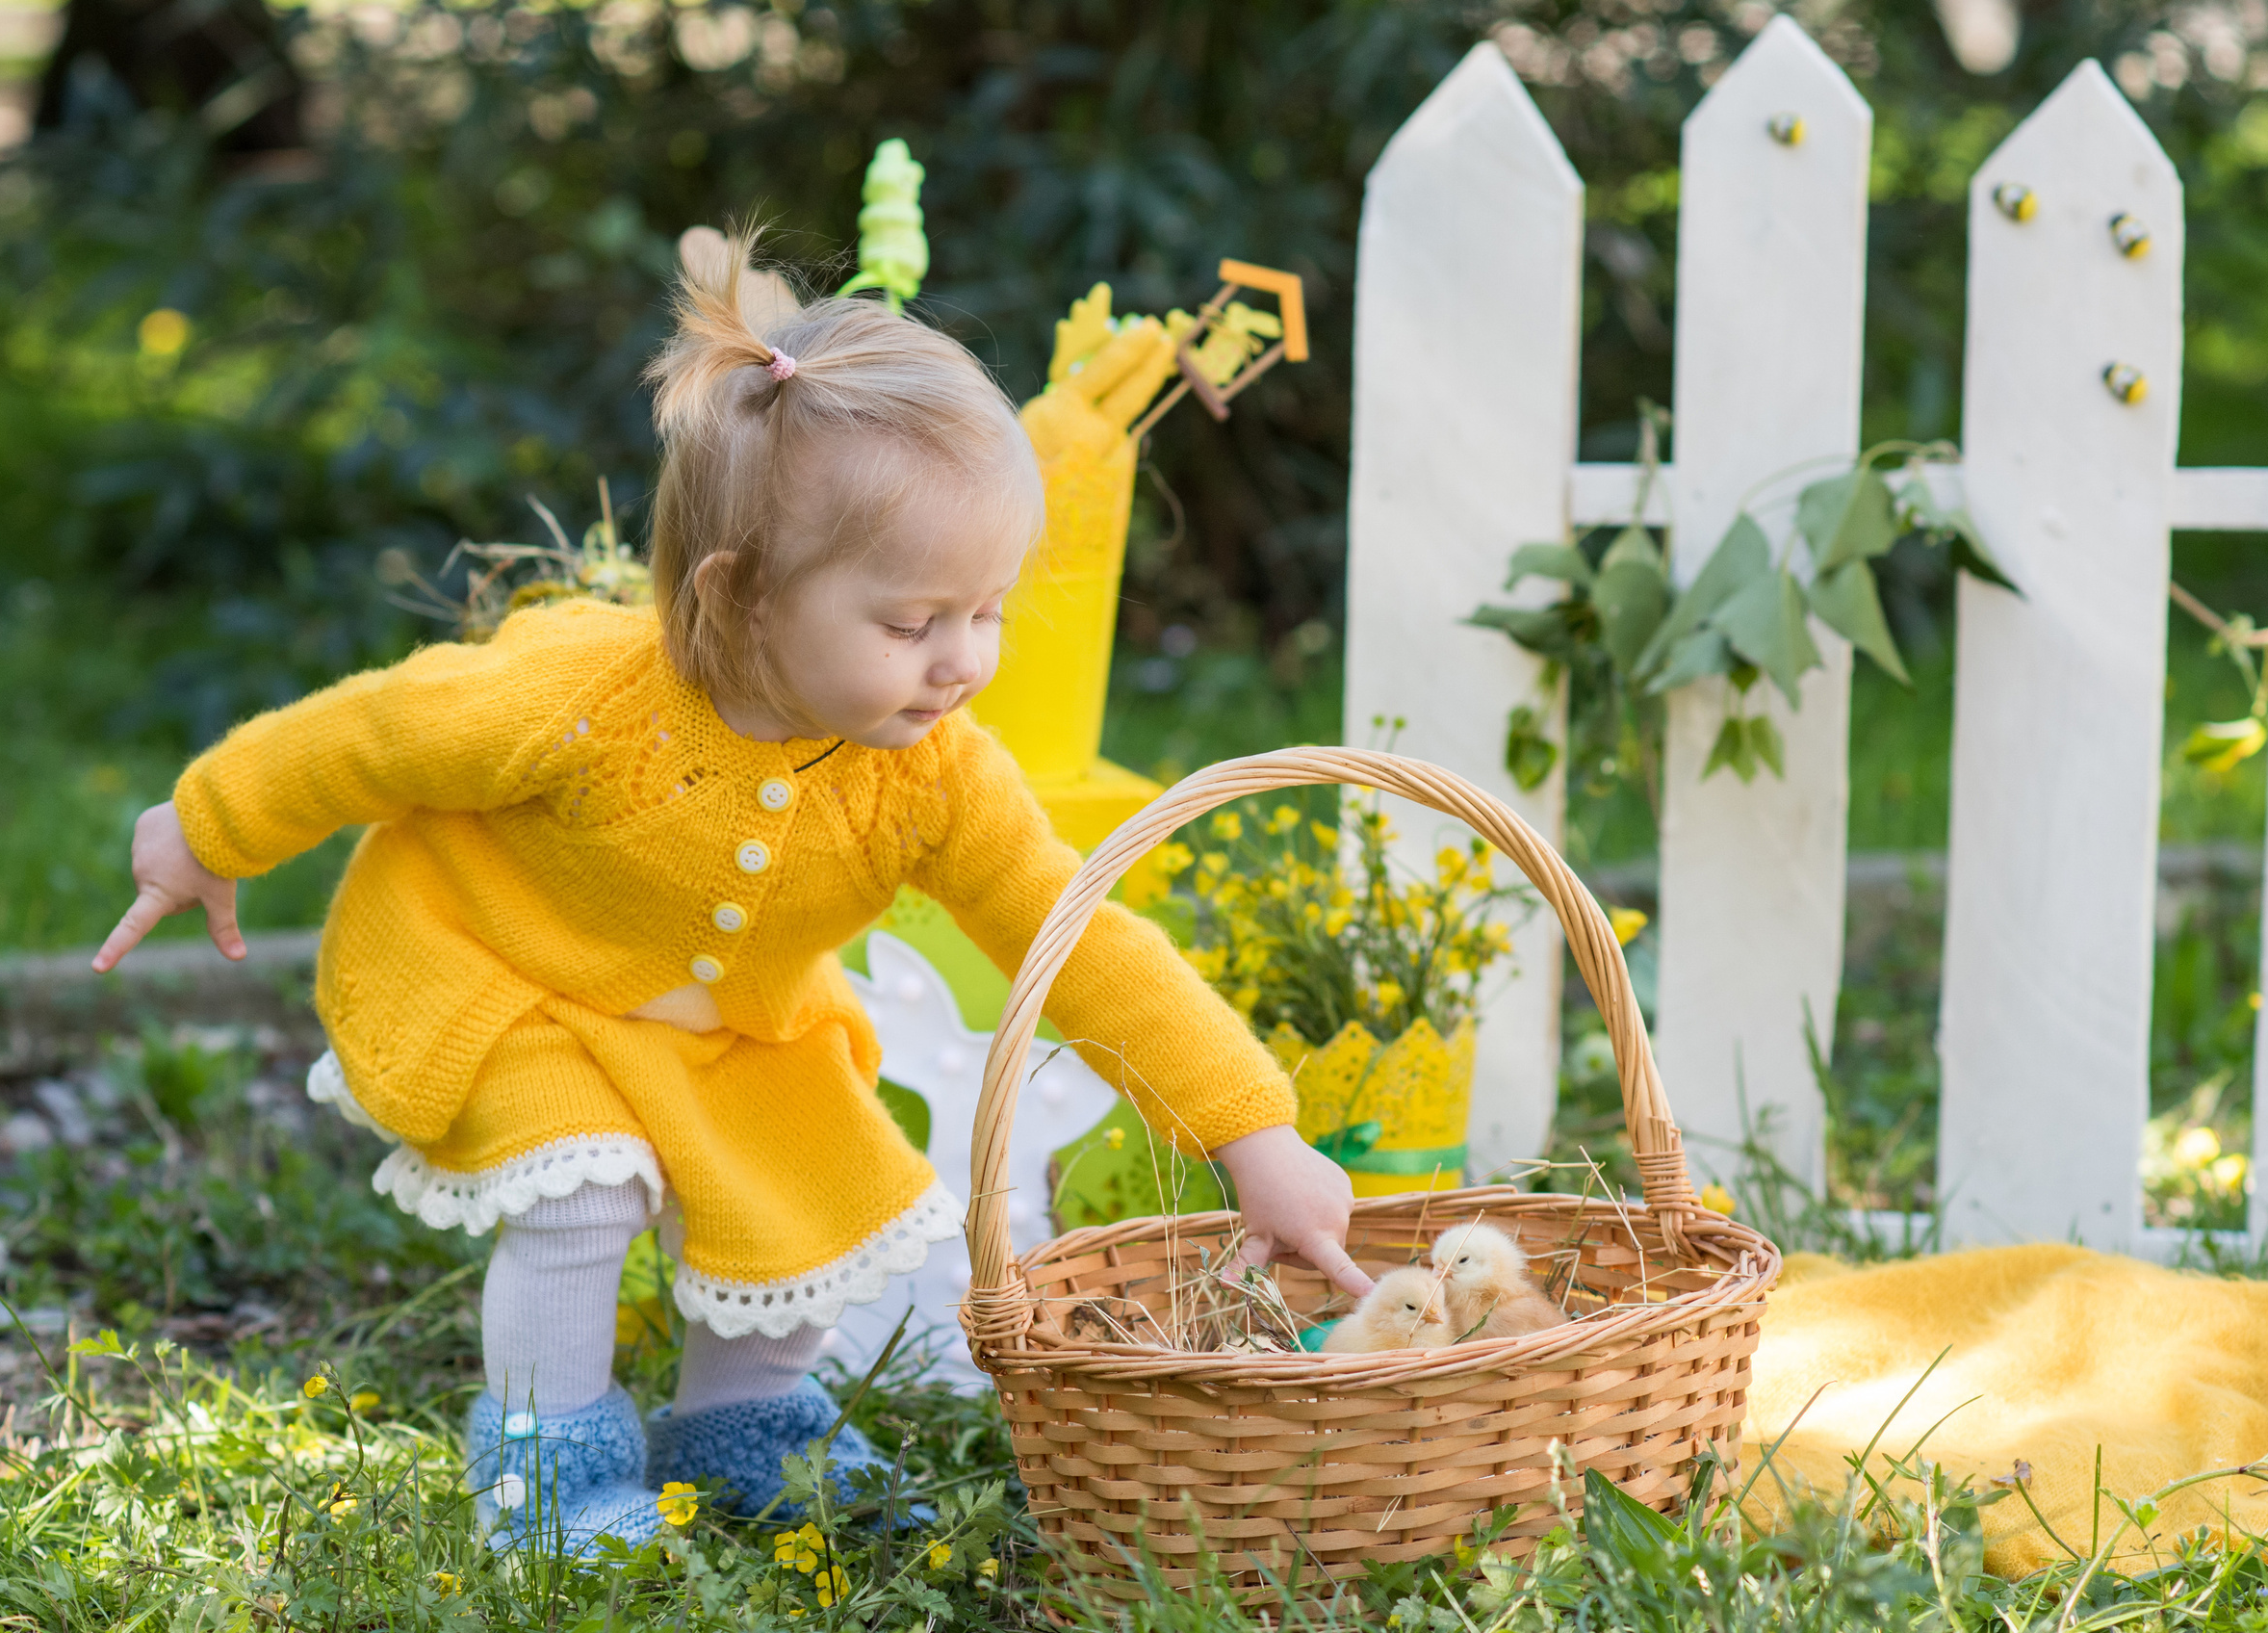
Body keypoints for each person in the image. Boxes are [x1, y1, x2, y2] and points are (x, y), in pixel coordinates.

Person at [90, 232, 1371, 1550]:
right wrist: (205, 828)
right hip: (499, 970)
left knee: (820, 1177)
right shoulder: (585, 699)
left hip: (727, 1028)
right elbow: (371, 732)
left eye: (985, 611)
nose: (962, 662)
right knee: (579, 1197)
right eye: (913, 621)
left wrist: (1245, 1128)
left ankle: (743, 1419)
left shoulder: (934, 774)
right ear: (742, 596)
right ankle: (550, 1468)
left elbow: (1073, 930)